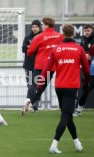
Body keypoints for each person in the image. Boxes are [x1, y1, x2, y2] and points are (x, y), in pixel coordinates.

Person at [39, 24, 89, 154]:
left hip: (59, 87)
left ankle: (77, 144)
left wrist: (40, 83)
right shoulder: (79, 49)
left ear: (63, 34)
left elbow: (46, 69)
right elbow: (86, 69)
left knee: (68, 116)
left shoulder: (56, 49)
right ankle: (54, 144)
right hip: (71, 87)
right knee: (66, 115)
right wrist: (87, 82)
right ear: (73, 34)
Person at [21, 17, 64, 115]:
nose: (42, 26)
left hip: (39, 65)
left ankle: (28, 100)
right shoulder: (60, 36)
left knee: (33, 84)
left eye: (43, 25)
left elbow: (30, 51)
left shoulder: (39, 37)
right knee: (41, 88)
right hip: (51, 67)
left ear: (47, 25)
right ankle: (32, 103)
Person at [74, 24, 94, 116]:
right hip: (89, 70)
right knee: (85, 90)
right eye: (85, 31)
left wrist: (85, 56)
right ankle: (79, 109)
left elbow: (87, 56)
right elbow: (83, 55)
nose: (86, 32)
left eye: (88, 30)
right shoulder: (83, 40)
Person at [22, 19, 42, 112]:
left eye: (36, 27)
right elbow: (23, 49)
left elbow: (41, 49)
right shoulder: (27, 37)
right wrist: (32, 48)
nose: (34, 28)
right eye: (33, 27)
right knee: (30, 85)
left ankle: (35, 104)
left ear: (39, 27)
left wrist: (31, 47)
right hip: (29, 65)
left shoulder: (42, 37)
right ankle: (32, 104)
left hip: (39, 65)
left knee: (38, 85)